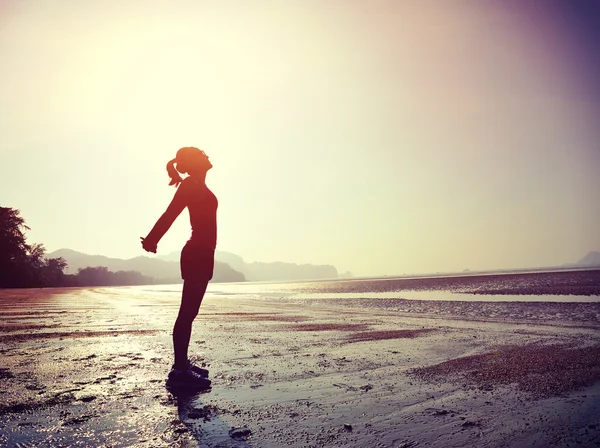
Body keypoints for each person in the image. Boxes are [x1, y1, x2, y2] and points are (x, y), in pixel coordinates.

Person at [141, 147, 217, 390]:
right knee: (187, 312)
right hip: (197, 253)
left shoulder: (197, 185)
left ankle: (182, 363)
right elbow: (170, 214)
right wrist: (152, 239)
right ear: (194, 162)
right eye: (202, 154)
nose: (207, 156)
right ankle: (179, 370)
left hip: (203, 253)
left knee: (190, 313)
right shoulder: (191, 185)